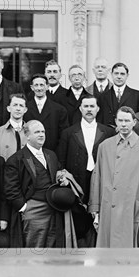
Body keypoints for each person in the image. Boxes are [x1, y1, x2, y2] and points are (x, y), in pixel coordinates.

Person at [89, 106, 139, 248]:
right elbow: (97, 178)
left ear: (134, 122)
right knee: (107, 252)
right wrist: (95, 207)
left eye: (127, 120)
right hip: (108, 206)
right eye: (120, 120)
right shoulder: (105, 146)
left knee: (128, 254)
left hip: (132, 207)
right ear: (116, 122)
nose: (123, 124)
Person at [56, 95, 115, 247]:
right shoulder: (69, 133)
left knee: (100, 220)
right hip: (77, 184)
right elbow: (61, 161)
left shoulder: (108, 132)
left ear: (98, 109)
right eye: (86, 106)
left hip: (101, 182)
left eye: (92, 106)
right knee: (80, 223)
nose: (89, 110)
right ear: (80, 109)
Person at [4, 120, 70, 248]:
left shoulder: (51, 155)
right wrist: (24, 208)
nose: (41, 135)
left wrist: (64, 180)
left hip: (54, 209)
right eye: (37, 132)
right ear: (27, 136)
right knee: (34, 249)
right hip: (33, 209)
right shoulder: (16, 159)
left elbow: (58, 172)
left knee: (52, 248)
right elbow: (10, 189)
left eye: (43, 132)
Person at [23, 74, 69, 151]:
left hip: (52, 153)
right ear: (32, 88)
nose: (39, 88)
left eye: (42, 85)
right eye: (36, 85)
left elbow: (63, 137)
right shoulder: (25, 109)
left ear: (47, 87)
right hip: (30, 153)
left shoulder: (59, 110)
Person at [97, 62, 139, 128]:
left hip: (130, 134)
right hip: (109, 135)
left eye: (122, 74)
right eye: (116, 73)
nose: (119, 77)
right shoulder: (102, 97)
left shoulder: (138, 96)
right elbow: (99, 120)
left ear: (127, 75)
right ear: (111, 74)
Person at [0, 93, 28, 161]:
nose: (18, 109)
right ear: (8, 108)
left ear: (25, 110)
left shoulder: (31, 132)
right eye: (15, 105)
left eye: (21, 106)